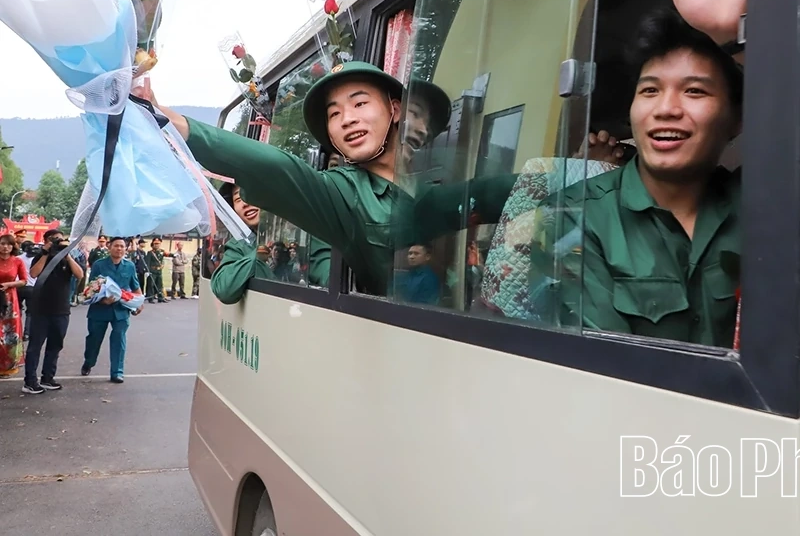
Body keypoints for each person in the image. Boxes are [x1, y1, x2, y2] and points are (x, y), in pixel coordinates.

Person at [524, 0, 749, 346]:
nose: (666, 108)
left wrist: (735, 35)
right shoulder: (571, 217)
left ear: (736, 121)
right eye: (650, 90)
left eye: (694, 90)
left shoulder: (765, 202)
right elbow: (607, 377)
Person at [153, 63, 512, 297]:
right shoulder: (342, 190)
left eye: (359, 104)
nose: (346, 119)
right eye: (334, 113)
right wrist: (174, 124)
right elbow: (277, 168)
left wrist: (558, 177)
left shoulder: (438, 188)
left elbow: (492, 194)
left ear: (395, 111)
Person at [23, 230, 84, 394]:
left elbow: (80, 275)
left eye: (60, 239)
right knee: (35, 347)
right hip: (40, 309)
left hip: (61, 310)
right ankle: (30, 381)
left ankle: (47, 378)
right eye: (54, 239)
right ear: (46, 240)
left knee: (55, 346)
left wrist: (67, 254)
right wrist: (45, 252)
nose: (57, 242)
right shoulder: (41, 255)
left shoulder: (67, 258)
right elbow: (34, 273)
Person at [82, 236, 143, 383]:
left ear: (126, 249)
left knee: (119, 340)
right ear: (109, 247)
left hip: (121, 310)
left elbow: (135, 286)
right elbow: (92, 288)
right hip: (100, 309)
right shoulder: (99, 265)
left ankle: (117, 372)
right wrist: (103, 300)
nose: (119, 249)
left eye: (122, 246)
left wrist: (138, 302)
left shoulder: (129, 266)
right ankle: (89, 362)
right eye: (116, 246)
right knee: (94, 340)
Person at [0, 233, 29, 377]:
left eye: (9, 244)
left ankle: (8, 366)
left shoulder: (17, 261)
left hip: (10, 300)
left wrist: (9, 284)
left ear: (13, 246)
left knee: (10, 333)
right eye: (3, 243)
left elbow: (24, 280)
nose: (5, 247)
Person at [145, 237, 167, 302]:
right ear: (153, 244)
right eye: (155, 244)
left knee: (160, 285)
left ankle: (160, 298)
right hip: (152, 270)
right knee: (151, 285)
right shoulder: (150, 253)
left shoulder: (161, 252)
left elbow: (168, 254)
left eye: (158, 244)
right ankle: (150, 298)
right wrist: (147, 271)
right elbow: (147, 262)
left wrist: (174, 255)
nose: (157, 245)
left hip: (159, 271)